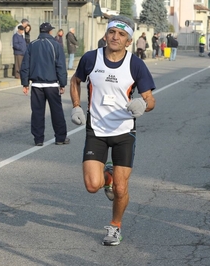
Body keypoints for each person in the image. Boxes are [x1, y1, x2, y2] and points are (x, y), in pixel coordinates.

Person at [69, 15, 156, 246]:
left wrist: (143, 104)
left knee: (120, 187)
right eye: (112, 32)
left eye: (121, 34)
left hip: (124, 132)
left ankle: (115, 226)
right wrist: (76, 107)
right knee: (91, 186)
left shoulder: (135, 64)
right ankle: (106, 175)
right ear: (105, 35)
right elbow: (75, 81)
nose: (115, 37)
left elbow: (150, 99)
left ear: (129, 41)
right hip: (96, 130)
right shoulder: (90, 58)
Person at [20, 22, 69, 146]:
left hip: (36, 85)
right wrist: (62, 83)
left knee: (37, 112)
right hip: (52, 85)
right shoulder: (55, 45)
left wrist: (25, 83)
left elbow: (25, 65)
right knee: (56, 112)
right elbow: (61, 66)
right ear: (50, 32)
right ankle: (60, 138)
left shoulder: (32, 45)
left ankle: (38, 139)